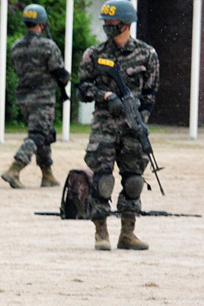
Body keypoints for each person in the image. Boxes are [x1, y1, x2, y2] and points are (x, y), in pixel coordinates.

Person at [77, 0, 158, 252]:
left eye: (113, 23)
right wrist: (105, 96)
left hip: (133, 127)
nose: (108, 27)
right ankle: (101, 232)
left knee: (134, 180)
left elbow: (151, 94)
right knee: (102, 179)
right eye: (106, 23)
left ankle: (128, 233)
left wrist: (139, 119)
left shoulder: (147, 54)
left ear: (126, 24)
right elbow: (83, 89)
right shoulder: (94, 53)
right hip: (104, 126)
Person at [2, 4, 67, 190]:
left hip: (23, 97)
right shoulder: (48, 45)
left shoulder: (16, 46)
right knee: (38, 135)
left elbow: (17, 69)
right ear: (42, 23)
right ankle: (15, 168)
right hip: (43, 97)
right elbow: (59, 72)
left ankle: (47, 175)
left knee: (44, 133)